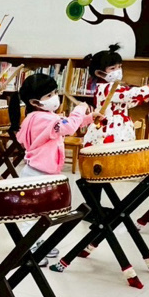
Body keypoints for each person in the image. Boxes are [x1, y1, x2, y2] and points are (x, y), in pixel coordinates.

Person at [16, 73, 92, 265]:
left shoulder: (43, 116)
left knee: (42, 211)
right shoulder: (41, 118)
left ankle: (35, 241)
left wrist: (89, 118)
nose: (54, 98)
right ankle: (27, 248)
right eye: (49, 95)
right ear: (35, 102)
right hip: (37, 173)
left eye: (55, 93)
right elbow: (68, 127)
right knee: (31, 213)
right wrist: (79, 110)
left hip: (43, 172)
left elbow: (64, 126)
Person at [82, 44, 149, 148]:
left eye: (119, 67)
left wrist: (140, 100)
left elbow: (122, 103)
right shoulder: (107, 88)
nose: (118, 71)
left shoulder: (109, 87)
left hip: (118, 128)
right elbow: (130, 94)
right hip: (109, 131)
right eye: (112, 68)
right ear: (99, 73)